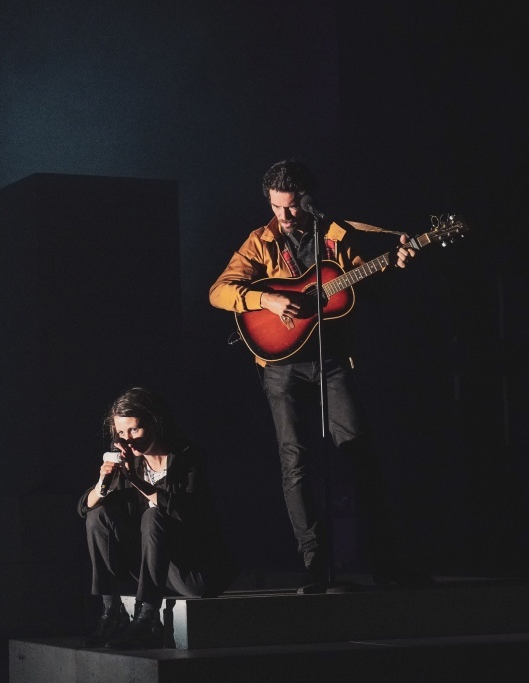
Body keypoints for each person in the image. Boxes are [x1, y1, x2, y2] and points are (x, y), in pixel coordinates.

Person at [208, 159, 428, 593]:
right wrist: (267, 300)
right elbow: (219, 291)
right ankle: (315, 564)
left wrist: (394, 261)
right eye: (276, 206)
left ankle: (386, 564)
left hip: (331, 361)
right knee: (295, 461)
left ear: (308, 200)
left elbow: (368, 281)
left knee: (359, 454)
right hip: (280, 366)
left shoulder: (337, 234)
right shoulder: (259, 241)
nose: (283, 215)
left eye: (291, 206)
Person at [78, 387, 238, 649]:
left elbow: (185, 512)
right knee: (98, 515)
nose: (128, 440)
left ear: (155, 422)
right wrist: (103, 483)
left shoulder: (186, 456)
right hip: (152, 566)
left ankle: (148, 618)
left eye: (134, 430)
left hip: (189, 571)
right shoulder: (131, 461)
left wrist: (136, 480)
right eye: (121, 433)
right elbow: (84, 508)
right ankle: (111, 611)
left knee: (153, 516)